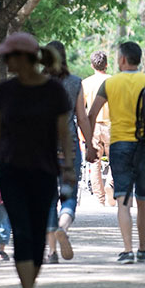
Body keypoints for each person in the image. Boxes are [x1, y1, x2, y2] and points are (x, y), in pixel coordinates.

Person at [0, 33, 76, 288]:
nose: (4, 61)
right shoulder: (4, 91)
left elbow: (64, 133)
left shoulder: (54, 91)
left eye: (8, 56)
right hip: (11, 170)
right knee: (22, 231)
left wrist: (69, 167)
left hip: (44, 171)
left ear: (24, 58)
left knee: (37, 235)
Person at [85, 41, 145, 264]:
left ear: (122, 59)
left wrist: (90, 145)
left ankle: (127, 250)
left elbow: (91, 114)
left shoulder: (111, 83)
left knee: (123, 200)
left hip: (120, 144)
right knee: (143, 199)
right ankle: (142, 248)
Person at [45, 40, 94, 263]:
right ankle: (63, 227)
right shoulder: (75, 82)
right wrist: (91, 145)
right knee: (69, 196)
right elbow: (82, 118)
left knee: (48, 200)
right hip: (70, 148)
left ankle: (51, 252)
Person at [81, 51, 113, 206]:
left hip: (93, 126)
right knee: (116, 160)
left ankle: (100, 199)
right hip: (111, 125)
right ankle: (110, 184)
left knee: (95, 163)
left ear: (92, 65)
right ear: (106, 64)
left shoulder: (85, 83)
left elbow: (82, 107)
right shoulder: (113, 81)